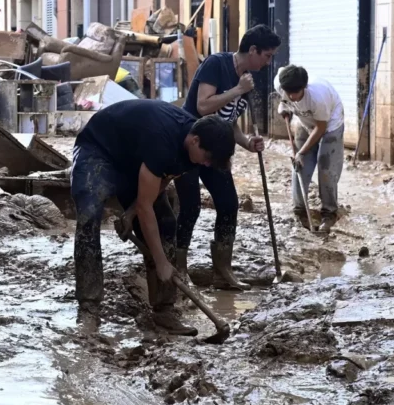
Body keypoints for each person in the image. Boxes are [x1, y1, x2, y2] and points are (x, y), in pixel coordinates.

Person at [71, 100, 235, 335]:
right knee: (89, 213)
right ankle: (89, 307)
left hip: (138, 160)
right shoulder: (164, 141)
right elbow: (146, 205)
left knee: (166, 223)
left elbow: (164, 178)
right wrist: (161, 262)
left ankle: (164, 310)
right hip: (99, 149)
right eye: (207, 158)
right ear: (195, 140)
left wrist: (130, 212)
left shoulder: (194, 149)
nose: (207, 164)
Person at [175, 24, 282, 290]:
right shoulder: (217, 64)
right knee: (190, 207)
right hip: (192, 144)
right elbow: (203, 105)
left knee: (229, 203)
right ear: (253, 50)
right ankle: (179, 268)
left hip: (218, 148)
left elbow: (229, 119)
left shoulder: (248, 79)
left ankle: (222, 270)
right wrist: (237, 90)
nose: (268, 63)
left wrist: (247, 142)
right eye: (267, 56)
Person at [274, 65, 344, 232]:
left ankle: (329, 213)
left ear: (304, 87)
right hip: (305, 122)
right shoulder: (281, 83)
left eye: (295, 93)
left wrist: (301, 151)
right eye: (287, 92)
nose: (291, 96)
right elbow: (283, 79)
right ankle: (300, 211)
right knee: (299, 166)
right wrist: (283, 106)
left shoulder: (318, 97)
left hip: (329, 126)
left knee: (326, 168)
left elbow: (320, 128)